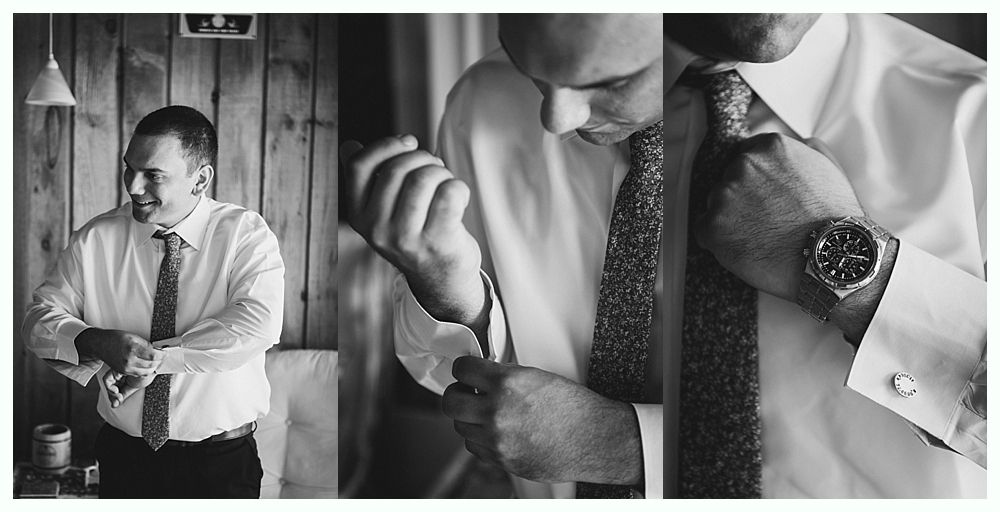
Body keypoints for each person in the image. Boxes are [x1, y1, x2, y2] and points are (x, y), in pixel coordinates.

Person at [341, 14, 985, 498]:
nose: (557, 118)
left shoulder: (975, 115)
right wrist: (450, 292)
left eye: (611, 82)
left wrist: (855, 274)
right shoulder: (486, 107)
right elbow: (481, 392)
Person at [22, 105, 285, 498]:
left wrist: (152, 360)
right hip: (124, 458)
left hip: (221, 464)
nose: (133, 186)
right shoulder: (96, 239)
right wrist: (97, 342)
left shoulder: (245, 235)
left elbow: (255, 327)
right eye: (129, 169)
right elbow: (37, 321)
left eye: (153, 175)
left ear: (200, 179)